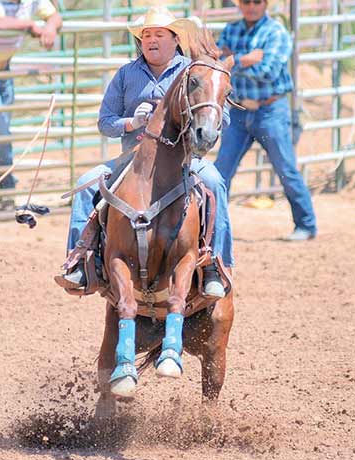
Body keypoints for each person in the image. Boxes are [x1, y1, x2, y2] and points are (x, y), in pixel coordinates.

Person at [56, 6, 233, 298]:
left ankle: (215, 263)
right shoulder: (126, 74)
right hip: (133, 160)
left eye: (159, 34)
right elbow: (105, 121)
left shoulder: (193, 72)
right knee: (85, 185)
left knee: (214, 182)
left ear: (175, 39)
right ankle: (81, 264)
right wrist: (130, 122)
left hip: (184, 159)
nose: (151, 40)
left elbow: (219, 115)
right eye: (147, 34)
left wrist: (200, 119)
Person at [214, 0, 318, 241]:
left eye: (257, 1)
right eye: (246, 1)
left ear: (266, 4)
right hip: (240, 111)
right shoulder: (231, 30)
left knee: (286, 169)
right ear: (240, 4)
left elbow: (267, 71)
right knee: (221, 172)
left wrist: (232, 60)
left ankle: (306, 224)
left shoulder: (277, 33)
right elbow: (218, 64)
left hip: (270, 110)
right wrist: (247, 59)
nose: (251, 6)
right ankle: (213, 226)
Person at [0, 0, 62, 211]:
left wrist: (50, 26)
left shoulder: (30, 2)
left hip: (3, 71)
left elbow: (54, 16)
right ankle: (7, 188)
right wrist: (30, 25)